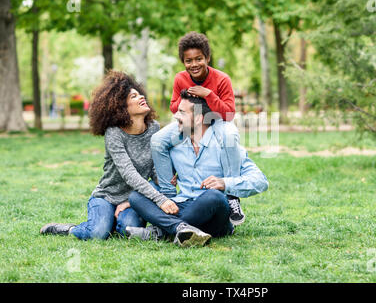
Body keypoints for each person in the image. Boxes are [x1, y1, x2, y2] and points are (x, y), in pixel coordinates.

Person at [40, 71, 172, 240]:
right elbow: (129, 174)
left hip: (135, 198)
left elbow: (153, 167)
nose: (141, 97)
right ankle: (70, 229)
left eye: (140, 94)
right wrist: (160, 200)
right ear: (121, 107)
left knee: (128, 231)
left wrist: (164, 179)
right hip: (107, 197)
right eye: (133, 96)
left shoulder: (153, 128)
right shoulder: (114, 133)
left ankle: (115, 223)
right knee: (98, 233)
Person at [126, 90, 269, 247]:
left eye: (182, 112)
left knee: (213, 196)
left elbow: (261, 181)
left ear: (200, 118)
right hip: (183, 204)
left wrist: (225, 183)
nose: (176, 116)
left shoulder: (225, 146)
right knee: (136, 197)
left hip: (213, 211)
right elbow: (163, 175)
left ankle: (160, 231)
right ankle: (178, 228)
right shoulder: (174, 146)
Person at [150, 31, 246, 226]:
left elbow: (229, 114)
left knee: (230, 134)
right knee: (158, 140)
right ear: (183, 62)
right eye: (188, 60)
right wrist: (189, 99)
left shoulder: (222, 79)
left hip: (216, 121)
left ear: (207, 58)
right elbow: (174, 106)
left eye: (199, 59)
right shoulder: (180, 79)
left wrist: (208, 95)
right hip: (190, 122)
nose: (194, 64)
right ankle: (168, 196)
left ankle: (232, 196)